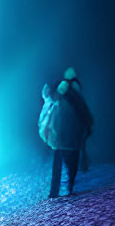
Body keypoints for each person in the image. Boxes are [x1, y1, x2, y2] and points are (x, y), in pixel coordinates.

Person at [38, 67, 93, 198]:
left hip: (62, 132)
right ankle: (67, 189)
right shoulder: (73, 93)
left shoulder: (63, 97)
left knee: (61, 162)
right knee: (69, 162)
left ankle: (59, 191)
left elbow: (53, 100)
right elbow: (82, 111)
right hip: (70, 133)